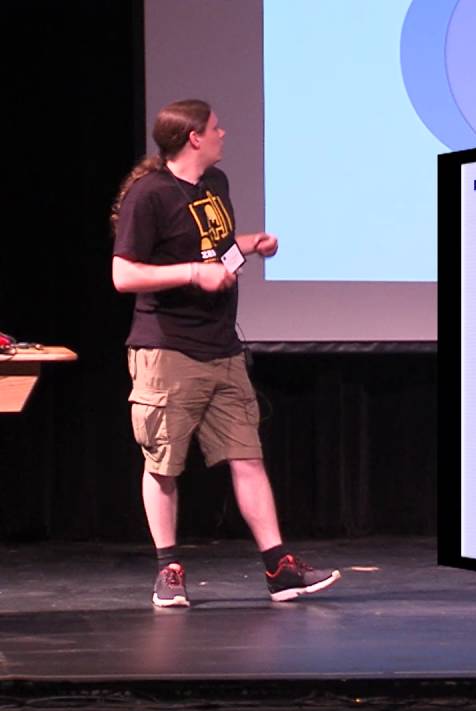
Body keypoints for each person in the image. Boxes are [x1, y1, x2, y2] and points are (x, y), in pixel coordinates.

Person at [110, 99, 340, 607]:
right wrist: (194, 274)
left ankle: (278, 568)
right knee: (164, 463)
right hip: (168, 350)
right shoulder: (149, 195)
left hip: (223, 349)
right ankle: (168, 568)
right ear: (193, 137)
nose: (223, 132)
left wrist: (248, 245)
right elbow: (124, 275)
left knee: (247, 457)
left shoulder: (216, 184)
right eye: (215, 127)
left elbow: (213, 251)